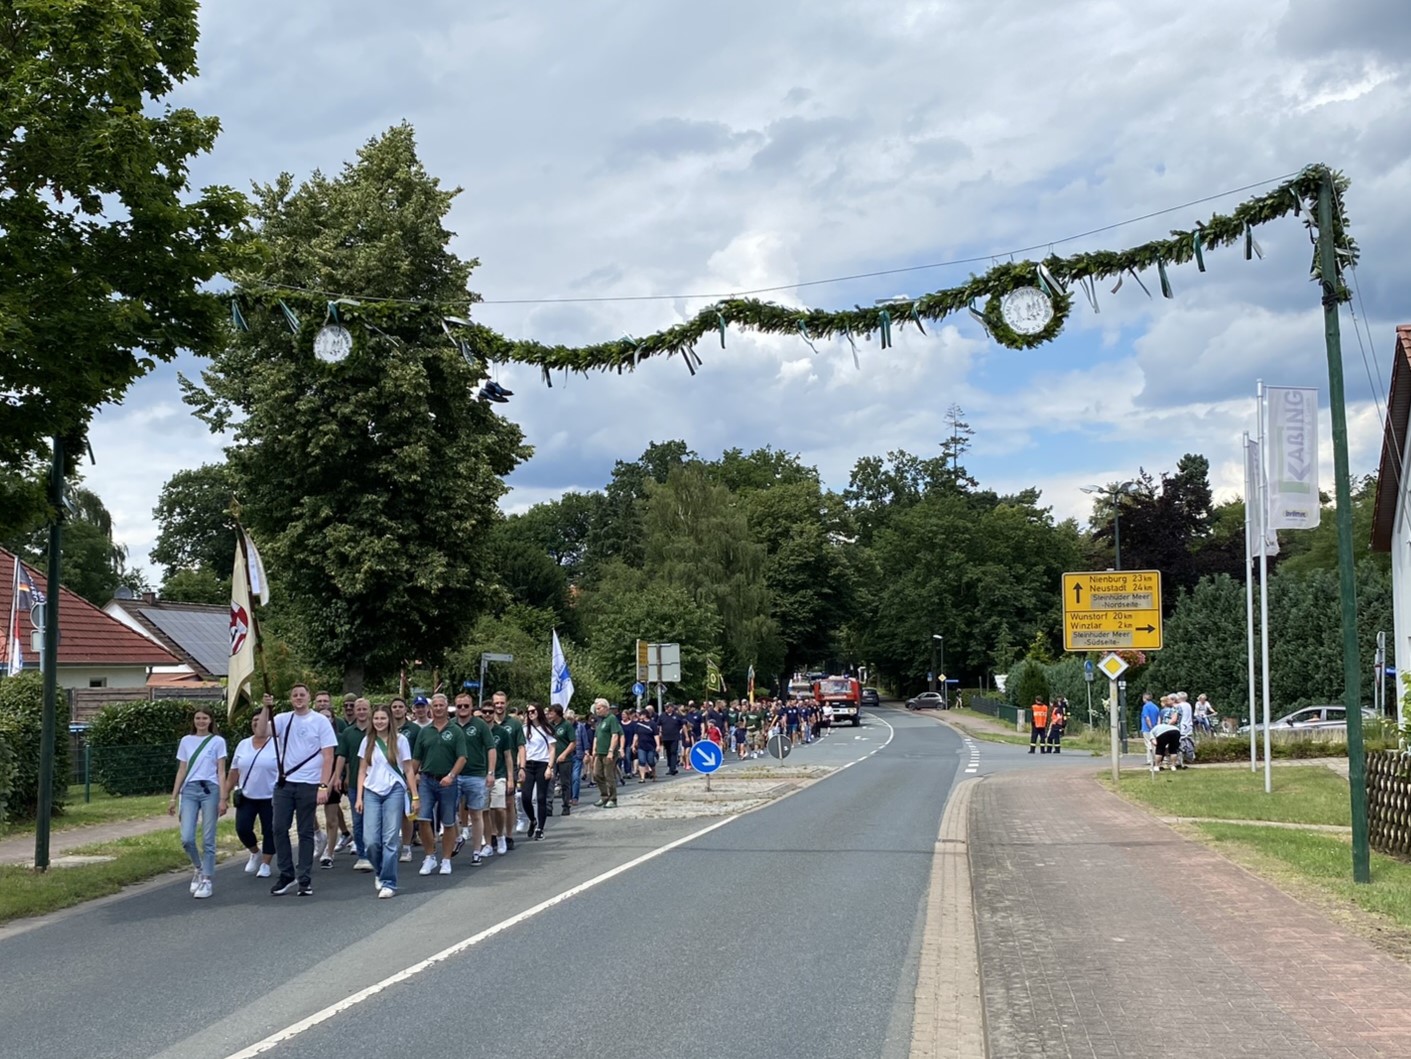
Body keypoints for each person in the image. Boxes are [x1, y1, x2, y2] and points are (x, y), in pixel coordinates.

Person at [262, 685, 337, 897]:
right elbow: (260, 732)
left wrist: (323, 785)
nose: (298, 698)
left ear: (309, 697)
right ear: (290, 698)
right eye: (294, 695)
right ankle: (286, 874)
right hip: (285, 783)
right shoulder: (283, 719)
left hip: (309, 784)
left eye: (302, 695)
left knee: (305, 831)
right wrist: (266, 708)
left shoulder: (320, 721)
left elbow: (328, 755)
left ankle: (304, 877)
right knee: (278, 828)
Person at [169, 706, 227, 900]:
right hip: (189, 790)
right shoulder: (186, 741)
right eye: (197, 718)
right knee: (186, 838)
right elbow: (181, 769)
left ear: (210, 721)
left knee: (208, 838)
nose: (201, 721)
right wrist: (173, 797)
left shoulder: (218, 741)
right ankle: (198, 866)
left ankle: (207, 879)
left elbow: (221, 771)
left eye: (204, 718)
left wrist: (223, 798)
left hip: (210, 789)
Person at [356, 704, 414, 898]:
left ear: (389, 720)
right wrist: (358, 797)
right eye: (376, 719)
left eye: (383, 718)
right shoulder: (367, 741)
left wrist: (414, 795)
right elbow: (362, 770)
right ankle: (380, 870)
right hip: (371, 790)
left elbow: (408, 769)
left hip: (394, 789)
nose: (379, 722)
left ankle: (389, 881)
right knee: (370, 840)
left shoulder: (401, 740)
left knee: (390, 838)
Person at [412, 692, 466, 876]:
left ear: (446, 706)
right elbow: (416, 758)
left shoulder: (456, 730)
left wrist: (451, 775)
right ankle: (429, 856)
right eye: (434, 706)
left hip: (448, 781)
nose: (438, 708)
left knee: (448, 822)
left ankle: (446, 859)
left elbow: (462, 757)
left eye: (441, 705)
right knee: (423, 819)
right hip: (427, 779)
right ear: (430, 708)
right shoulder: (424, 732)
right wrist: (410, 778)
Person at [226, 706, 277, 879]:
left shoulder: (277, 744)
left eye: (261, 720)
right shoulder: (243, 744)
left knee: (270, 830)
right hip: (247, 795)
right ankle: (255, 852)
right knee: (242, 828)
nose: (257, 723)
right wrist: (224, 794)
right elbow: (234, 771)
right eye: (254, 721)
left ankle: (266, 863)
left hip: (271, 796)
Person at [453, 693, 495, 866]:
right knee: (448, 812)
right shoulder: (450, 725)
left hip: (476, 775)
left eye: (466, 706)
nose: (462, 709)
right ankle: (458, 837)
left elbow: (491, 748)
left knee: (476, 814)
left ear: (471, 707)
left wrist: (490, 772)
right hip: (454, 775)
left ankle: (477, 851)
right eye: (459, 706)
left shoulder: (480, 725)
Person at [333, 697, 373, 871]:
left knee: (375, 821)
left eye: (365, 709)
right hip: (355, 784)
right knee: (358, 821)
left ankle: (376, 854)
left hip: (375, 784)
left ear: (369, 710)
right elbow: (342, 755)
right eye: (359, 709)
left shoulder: (376, 729)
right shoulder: (348, 733)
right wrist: (336, 776)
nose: (362, 712)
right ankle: (363, 856)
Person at [589, 697, 622, 808]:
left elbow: (615, 735)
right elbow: (597, 736)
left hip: (608, 752)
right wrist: (594, 750)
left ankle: (613, 798)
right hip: (599, 752)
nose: (596, 711)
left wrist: (611, 751)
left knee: (609, 776)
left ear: (605, 708)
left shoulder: (611, 718)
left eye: (598, 708)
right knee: (597, 774)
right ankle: (604, 796)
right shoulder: (600, 720)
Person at [548, 704, 575, 817]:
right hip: (552, 758)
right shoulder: (549, 726)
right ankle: (548, 806)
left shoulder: (567, 725)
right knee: (550, 782)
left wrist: (564, 754)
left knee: (565, 783)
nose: (549, 715)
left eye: (551, 713)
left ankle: (565, 805)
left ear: (557, 713)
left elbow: (573, 742)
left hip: (565, 759)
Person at [1139, 691, 1161, 767]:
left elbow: (1147, 717)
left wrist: (1150, 727)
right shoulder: (1156, 707)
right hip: (1156, 728)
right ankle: (1155, 759)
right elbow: (1159, 717)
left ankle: (1150, 760)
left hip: (1147, 728)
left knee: (1149, 744)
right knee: (1154, 744)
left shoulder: (1145, 707)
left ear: (1144, 698)